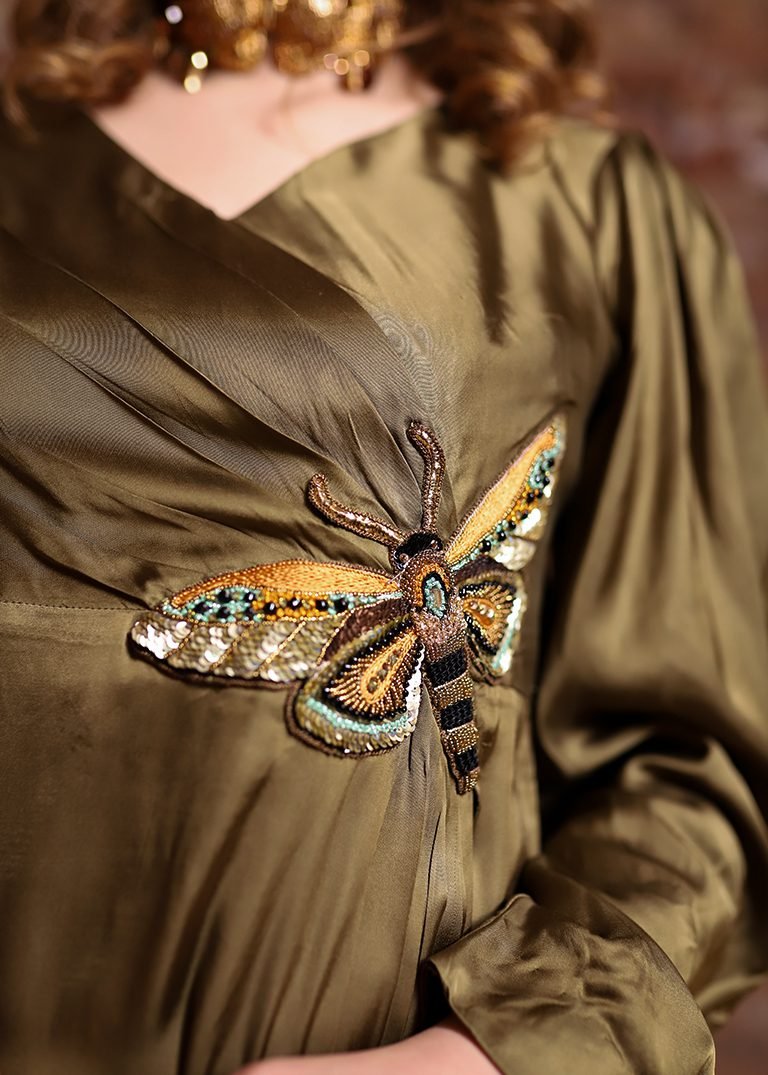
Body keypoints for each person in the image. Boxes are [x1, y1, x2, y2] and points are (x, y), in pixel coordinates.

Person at [0, 2, 766, 1074]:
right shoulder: (20, 154)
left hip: (357, 1026)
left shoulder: (584, 210)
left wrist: (482, 1055)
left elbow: (691, 760)